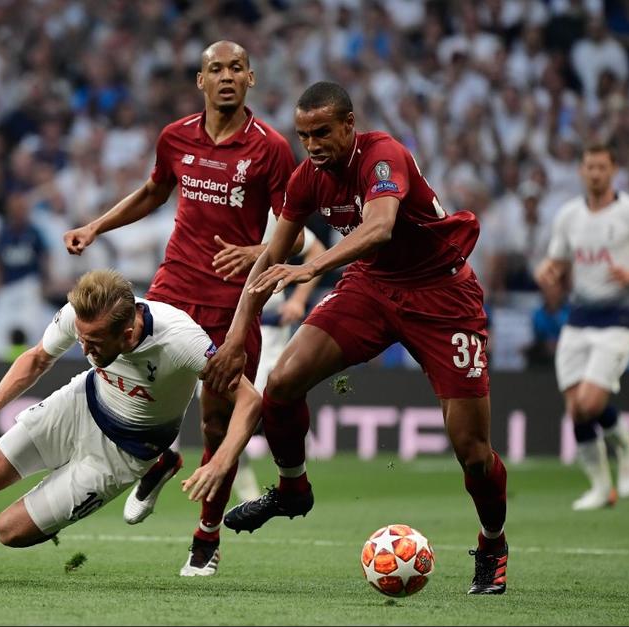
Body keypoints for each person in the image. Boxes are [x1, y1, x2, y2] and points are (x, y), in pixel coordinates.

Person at [202, 81, 509, 595]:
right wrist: (236, 337)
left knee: (472, 450)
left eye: (323, 132)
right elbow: (268, 260)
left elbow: (381, 226)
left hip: (442, 295)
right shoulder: (307, 178)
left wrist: (313, 266)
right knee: (282, 380)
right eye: (304, 135)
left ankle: (493, 542)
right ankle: (292, 488)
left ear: (349, 124)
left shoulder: (383, 156)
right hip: (371, 287)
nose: (314, 144)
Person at [0, 270, 261, 579]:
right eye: (81, 339)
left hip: (126, 450)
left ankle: (156, 465)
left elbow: (249, 399)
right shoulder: (81, 315)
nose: (84, 347)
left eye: (95, 343)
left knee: (9, 531)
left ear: (128, 332)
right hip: (80, 403)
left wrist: (223, 458)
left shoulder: (182, 341)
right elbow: (37, 359)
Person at [63, 41, 297, 576]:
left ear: (251, 79)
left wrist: (259, 251)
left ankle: (206, 537)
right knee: (124, 376)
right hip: (171, 290)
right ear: (201, 80)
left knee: (218, 422)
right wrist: (95, 226)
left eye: (236, 68)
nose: (226, 77)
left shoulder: (272, 149)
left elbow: (296, 233)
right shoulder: (176, 136)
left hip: (231, 305)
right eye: (216, 69)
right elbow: (153, 192)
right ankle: (158, 459)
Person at [534, 143, 629, 511]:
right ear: (581, 171)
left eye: (601, 167)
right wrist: (547, 271)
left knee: (590, 402)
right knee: (576, 411)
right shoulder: (568, 216)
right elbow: (558, 260)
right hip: (578, 318)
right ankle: (601, 488)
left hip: (619, 318)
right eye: (589, 167)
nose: (595, 173)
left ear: (613, 170)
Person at [211, 213, 328, 501]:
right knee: (224, 416)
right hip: (223, 332)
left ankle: (290, 478)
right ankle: (248, 492)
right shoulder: (210, 214)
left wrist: (299, 299)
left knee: (262, 403)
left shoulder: (274, 218)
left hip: (269, 331)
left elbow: (316, 250)